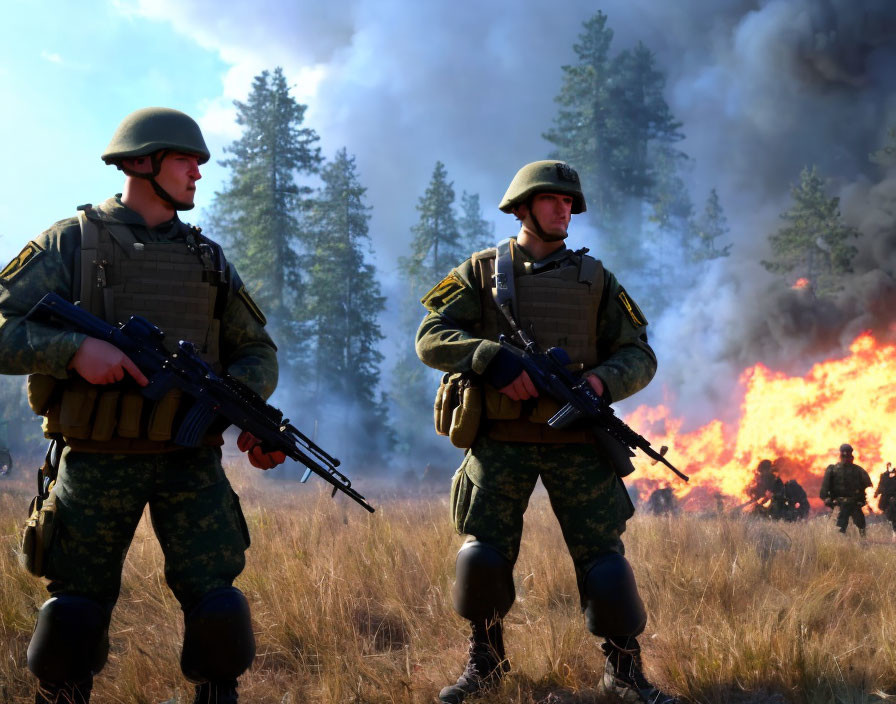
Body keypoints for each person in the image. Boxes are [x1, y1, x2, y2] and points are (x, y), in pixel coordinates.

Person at [0, 107, 285, 704]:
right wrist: (73, 350)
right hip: (96, 456)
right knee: (74, 610)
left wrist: (245, 409)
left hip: (190, 460)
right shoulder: (69, 243)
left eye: (199, 163)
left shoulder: (209, 260)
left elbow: (256, 350)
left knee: (219, 605)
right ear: (139, 162)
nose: (197, 174)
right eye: (185, 160)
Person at [416, 160, 675, 704]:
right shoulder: (480, 272)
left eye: (570, 203)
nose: (566, 210)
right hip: (500, 440)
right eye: (554, 200)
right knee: (483, 558)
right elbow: (430, 336)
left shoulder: (598, 280)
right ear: (522, 207)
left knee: (605, 562)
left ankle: (625, 673)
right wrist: (491, 359)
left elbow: (640, 354)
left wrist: (603, 382)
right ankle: (485, 664)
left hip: (577, 440)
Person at [819, 444, 872, 537]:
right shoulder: (833, 470)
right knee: (840, 528)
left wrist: (861, 500)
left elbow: (864, 488)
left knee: (861, 527)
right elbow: (825, 488)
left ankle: (861, 544)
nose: (846, 458)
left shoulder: (858, 471)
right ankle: (841, 545)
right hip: (839, 504)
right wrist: (828, 499)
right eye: (844, 455)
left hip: (854, 503)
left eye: (848, 455)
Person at [874, 462, 896, 536]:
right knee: (888, 515)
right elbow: (881, 485)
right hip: (886, 498)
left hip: (893, 498)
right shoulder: (884, 476)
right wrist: (876, 493)